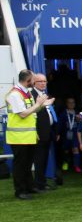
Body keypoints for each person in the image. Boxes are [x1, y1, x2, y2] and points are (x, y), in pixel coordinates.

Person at [5, 69, 48, 200]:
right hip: (18, 137)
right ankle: (20, 191)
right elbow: (23, 114)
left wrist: (42, 105)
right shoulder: (15, 94)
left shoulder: (26, 92)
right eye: (33, 80)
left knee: (28, 163)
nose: (35, 82)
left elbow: (31, 111)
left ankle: (29, 187)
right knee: (20, 165)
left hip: (28, 135)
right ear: (27, 80)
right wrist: (39, 104)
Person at [30, 73, 59, 191]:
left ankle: (42, 182)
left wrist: (55, 131)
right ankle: (38, 184)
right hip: (39, 132)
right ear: (34, 83)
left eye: (44, 81)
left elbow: (51, 113)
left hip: (49, 131)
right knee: (39, 159)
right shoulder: (32, 95)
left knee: (45, 158)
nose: (43, 83)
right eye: (40, 81)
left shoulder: (45, 95)